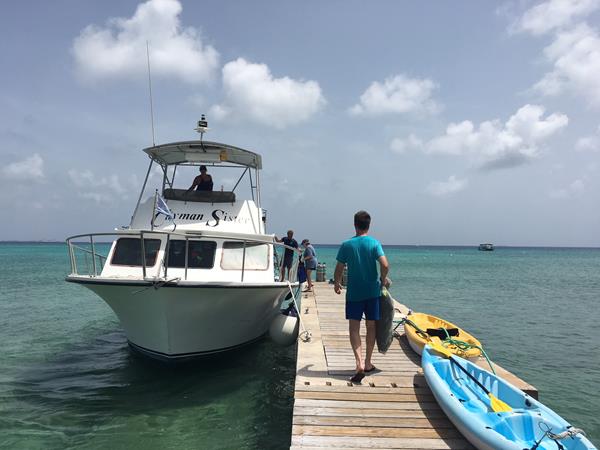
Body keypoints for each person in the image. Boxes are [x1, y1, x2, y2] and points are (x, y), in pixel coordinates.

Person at [334, 210, 389, 383]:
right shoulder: (374, 243)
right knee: (371, 327)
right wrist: (383, 278)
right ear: (369, 225)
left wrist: (336, 282)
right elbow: (385, 264)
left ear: (354, 224)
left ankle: (358, 363)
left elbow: (339, 267)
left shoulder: (347, 244)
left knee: (354, 328)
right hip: (372, 292)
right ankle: (367, 363)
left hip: (354, 293)